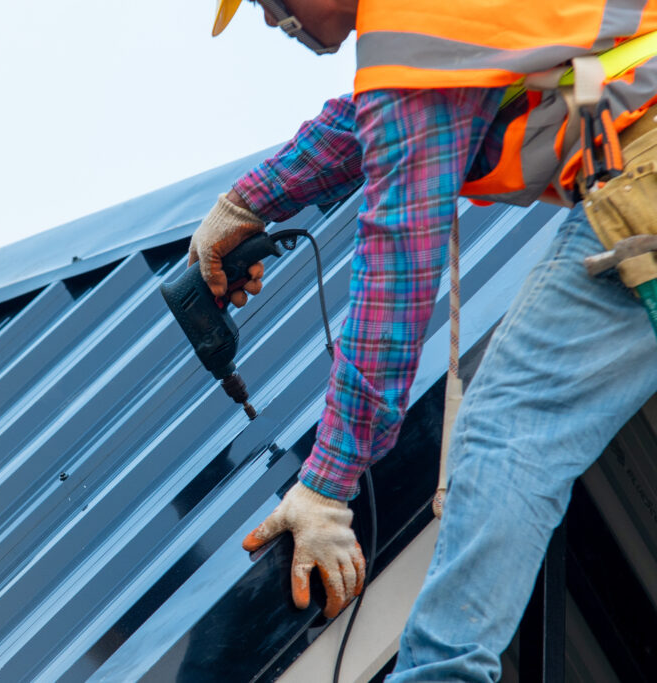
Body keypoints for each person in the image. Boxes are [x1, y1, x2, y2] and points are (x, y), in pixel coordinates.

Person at [190, 1, 657, 679]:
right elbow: (389, 117)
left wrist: (325, 484)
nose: (272, 22)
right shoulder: (441, 24)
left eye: (271, 2)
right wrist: (248, 202)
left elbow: (395, 275)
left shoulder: (409, 27)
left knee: (508, 427)